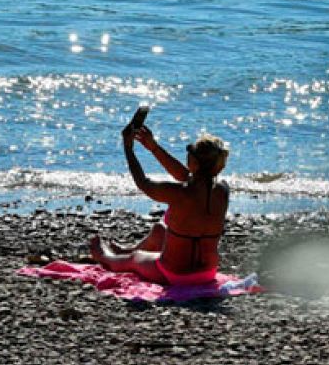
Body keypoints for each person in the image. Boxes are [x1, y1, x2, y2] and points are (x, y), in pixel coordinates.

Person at [88, 116, 229, 286]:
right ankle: (128, 249)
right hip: (207, 273)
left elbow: (143, 183)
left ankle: (106, 257)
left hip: (174, 274)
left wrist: (128, 149)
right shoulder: (222, 189)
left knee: (135, 259)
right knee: (159, 230)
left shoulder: (179, 193)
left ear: (193, 163)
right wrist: (153, 147)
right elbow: (186, 176)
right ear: (219, 166)